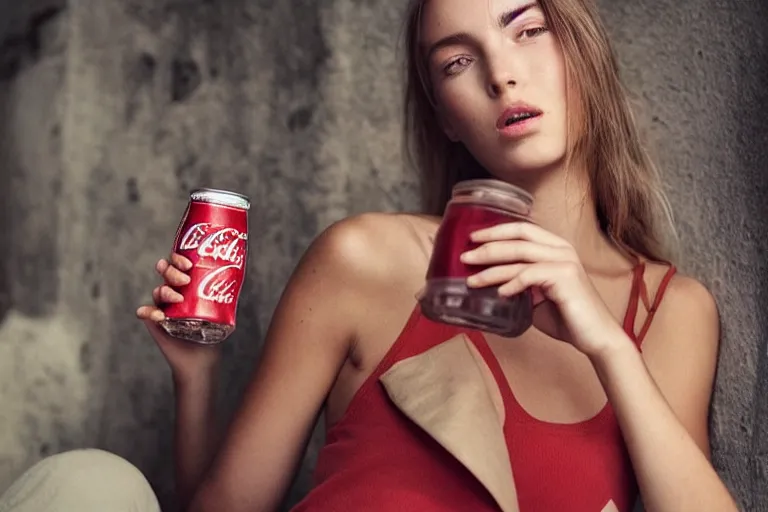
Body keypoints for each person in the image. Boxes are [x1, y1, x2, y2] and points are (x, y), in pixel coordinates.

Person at [0, 0, 738, 511]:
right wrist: (196, 378)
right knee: (90, 483)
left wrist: (606, 343)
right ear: (444, 116)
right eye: (457, 62)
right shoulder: (366, 260)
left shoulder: (668, 312)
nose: (501, 75)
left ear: (581, 46)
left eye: (527, 29)